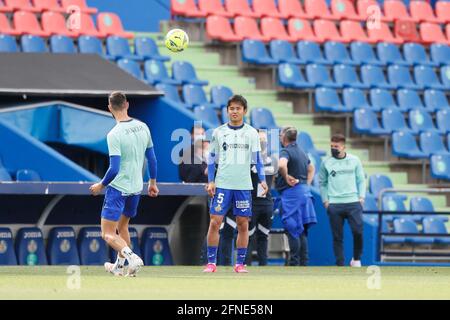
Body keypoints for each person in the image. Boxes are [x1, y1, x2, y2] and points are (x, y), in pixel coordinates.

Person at [89, 91, 159, 277]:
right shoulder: (143, 126)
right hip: (137, 187)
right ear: (127, 104)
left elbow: (114, 169)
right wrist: (152, 182)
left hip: (118, 188)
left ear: (110, 108)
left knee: (108, 234)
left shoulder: (114, 134)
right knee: (123, 227)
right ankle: (119, 268)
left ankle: (132, 258)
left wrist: (100, 186)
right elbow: (152, 159)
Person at [204, 94, 268, 273]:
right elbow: (211, 159)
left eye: (238, 108)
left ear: (244, 111)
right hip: (222, 184)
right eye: (231, 108)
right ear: (227, 110)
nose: (234, 111)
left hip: (243, 185)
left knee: (242, 224)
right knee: (215, 222)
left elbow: (257, 159)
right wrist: (211, 181)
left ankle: (240, 263)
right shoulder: (218, 132)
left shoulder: (251, 133)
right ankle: (211, 263)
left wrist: (262, 179)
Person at [318, 134, 366, 267]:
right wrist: (325, 201)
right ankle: (340, 264)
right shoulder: (326, 163)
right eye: (331, 146)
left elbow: (361, 180)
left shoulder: (355, 160)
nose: (333, 148)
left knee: (358, 231)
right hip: (334, 204)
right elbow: (322, 182)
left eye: (336, 146)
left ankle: (356, 259)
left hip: (353, 202)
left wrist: (361, 197)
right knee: (337, 236)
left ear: (343, 146)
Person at [275, 126, 316, 266]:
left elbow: (281, 165)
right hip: (305, 192)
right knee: (302, 230)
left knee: (293, 229)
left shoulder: (286, 151)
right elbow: (311, 168)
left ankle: (294, 263)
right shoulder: (302, 151)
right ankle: (304, 263)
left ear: (284, 137)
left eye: (281, 135)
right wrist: (307, 184)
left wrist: (286, 177)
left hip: (292, 194)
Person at [245, 129, 277, 266]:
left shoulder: (272, 160)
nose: (262, 142)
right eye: (259, 140)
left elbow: (275, 178)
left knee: (263, 236)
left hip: (266, 203)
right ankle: (244, 265)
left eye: (264, 140)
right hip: (252, 203)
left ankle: (264, 267)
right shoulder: (248, 161)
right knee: (248, 236)